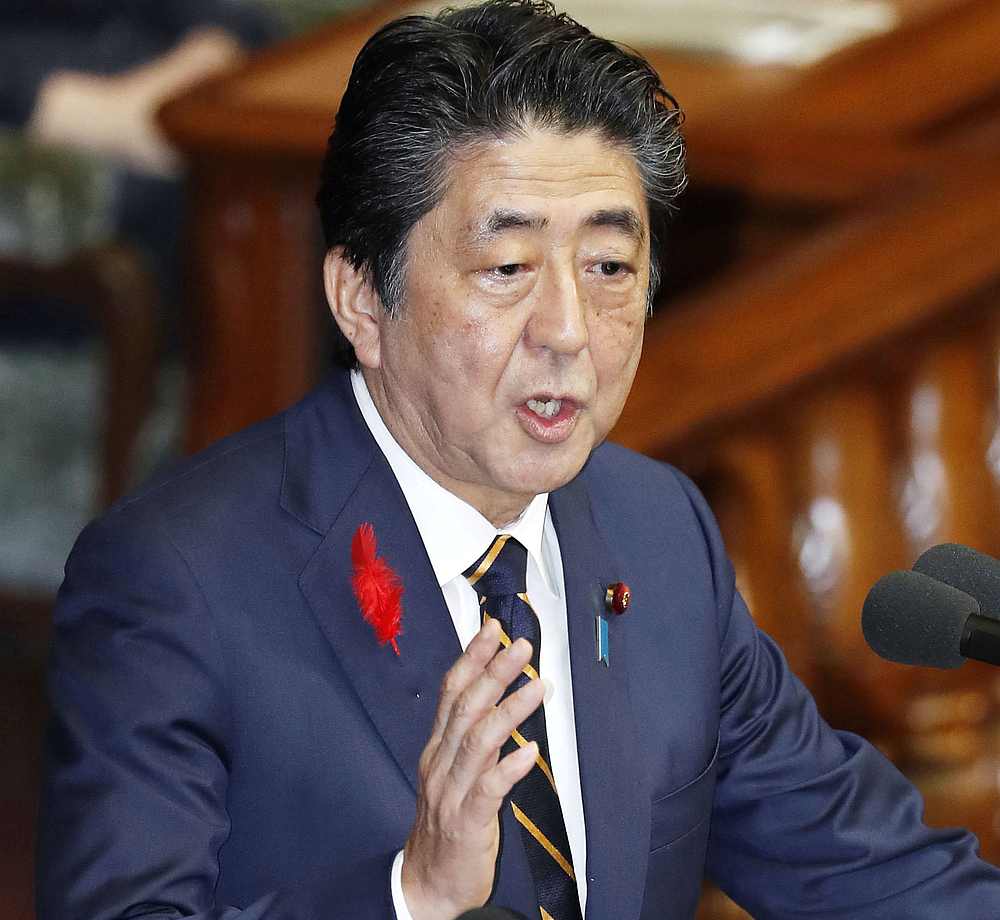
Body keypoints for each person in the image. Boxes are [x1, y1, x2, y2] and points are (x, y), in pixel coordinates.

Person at [36, 2, 1000, 918]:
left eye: (609, 268)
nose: (568, 331)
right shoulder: (176, 580)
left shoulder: (659, 532)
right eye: (507, 270)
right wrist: (411, 897)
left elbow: (868, 873)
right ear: (362, 300)